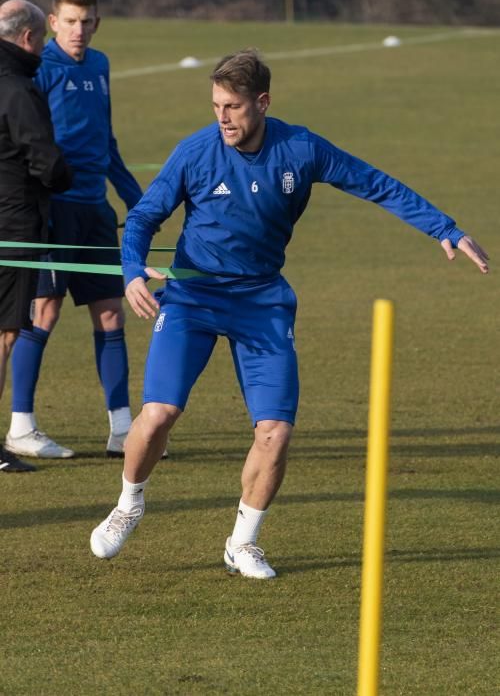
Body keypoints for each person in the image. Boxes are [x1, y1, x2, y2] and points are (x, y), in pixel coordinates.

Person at [90, 49, 488, 577]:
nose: (222, 117)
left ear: (263, 102)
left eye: (232, 106)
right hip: (193, 298)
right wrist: (134, 271)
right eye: (215, 106)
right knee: (160, 414)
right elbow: (142, 217)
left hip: (262, 303)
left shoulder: (300, 148)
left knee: (275, 431)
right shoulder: (196, 152)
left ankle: (243, 542)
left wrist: (444, 228)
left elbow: (377, 183)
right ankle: (129, 503)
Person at [4, 0, 144, 461]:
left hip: (94, 211)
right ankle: (21, 425)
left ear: (97, 22)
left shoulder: (99, 65)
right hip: (54, 210)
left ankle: (123, 429)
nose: (78, 30)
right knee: (43, 311)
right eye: (69, 22)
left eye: (86, 21)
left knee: (110, 313)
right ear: (52, 22)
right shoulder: (39, 67)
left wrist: (133, 196)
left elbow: (107, 138)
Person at [0, 0, 72, 473]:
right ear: (27, 37)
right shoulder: (19, 89)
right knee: (4, 336)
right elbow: (44, 160)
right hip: (12, 228)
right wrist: (63, 177)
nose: (44, 46)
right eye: (42, 38)